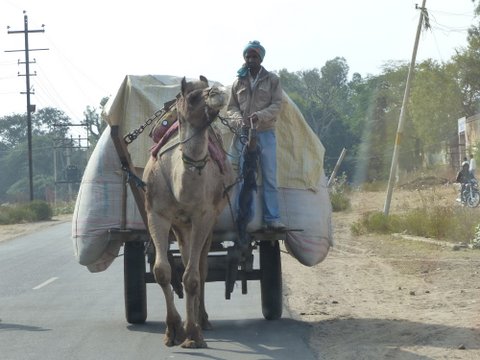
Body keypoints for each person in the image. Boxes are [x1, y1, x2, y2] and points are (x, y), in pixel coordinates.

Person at [227, 40, 285, 230]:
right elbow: (231, 108)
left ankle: (272, 219)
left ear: (261, 59)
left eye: (254, 57)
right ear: (244, 58)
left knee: (269, 177)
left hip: (265, 133)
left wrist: (259, 116)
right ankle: (243, 219)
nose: (251, 60)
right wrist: (238, 120)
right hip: (244, 134)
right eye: (248, 56)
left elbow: (277, 105)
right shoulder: (238, 82)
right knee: (244, 176)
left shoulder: (272, 80)